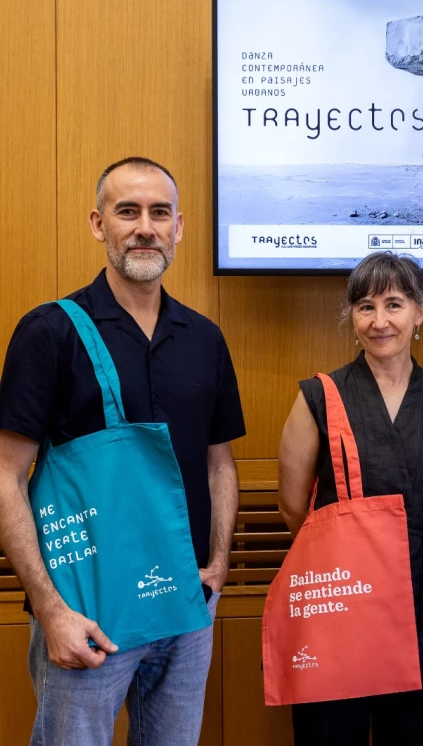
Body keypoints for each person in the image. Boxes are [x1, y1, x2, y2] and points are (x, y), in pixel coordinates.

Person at [0, 157, 245, 745]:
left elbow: (219, 463)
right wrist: (51, 610)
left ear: (179, 227)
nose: (145, 227)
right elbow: (6, 475)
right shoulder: (50, 331)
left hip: (187, 608)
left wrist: (218, 562)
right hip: (90, 612)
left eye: (159, 213)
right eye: (127, 211)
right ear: (97, 223)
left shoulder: (205, 339)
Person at [278, 251, 423, 746]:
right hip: (336, 601)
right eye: (365, 307)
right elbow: (294, 508)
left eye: (394, 304)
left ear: (420, 311)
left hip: (417, 602)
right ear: (352, 317)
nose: (379, 321)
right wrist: (350, 555)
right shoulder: (317, 396)